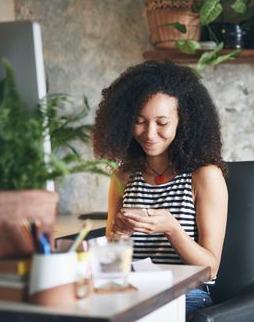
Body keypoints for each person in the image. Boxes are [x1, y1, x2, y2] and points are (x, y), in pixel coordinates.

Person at [92, 60, 228, 314]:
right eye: (139, 121)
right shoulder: (123, 175)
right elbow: (112, 262)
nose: (149, 133)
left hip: (185, 296)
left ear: (183, 121)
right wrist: (118, 237)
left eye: (162, 123)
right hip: (131, 292)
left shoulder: (204, 176)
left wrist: (172, 229)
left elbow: (211, 269)